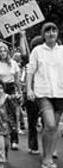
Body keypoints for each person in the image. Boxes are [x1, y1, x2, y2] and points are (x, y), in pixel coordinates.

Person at [27, 22, 63, 168]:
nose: (51, 33)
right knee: (50, 123)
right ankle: (45, 158)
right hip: (43, 93)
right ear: (43, 34)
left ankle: (48, 157)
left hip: (60, 92)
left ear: (57, 33)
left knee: (53, 128)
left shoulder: (62, 50)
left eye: (53, 30)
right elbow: (30, 70)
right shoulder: (37, 51)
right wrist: (28, 89)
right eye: (47, 31)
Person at [0, 45, 21, 150]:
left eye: (5, 51)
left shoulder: (13, 63)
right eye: (0, 51)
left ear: (8, 53)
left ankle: (14, 140)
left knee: (12, 115)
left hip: (10, 88)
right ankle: (1, 137)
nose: (3, 53)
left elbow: (17, 79)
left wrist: (19, 92)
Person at [23, 35, 43, 155]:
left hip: (46, 93)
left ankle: (50, 147)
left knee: (49, 123)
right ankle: (33, 145)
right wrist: (22, 36)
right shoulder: (30, 60)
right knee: (32, 122)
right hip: (32, 94)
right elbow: (24, 51)